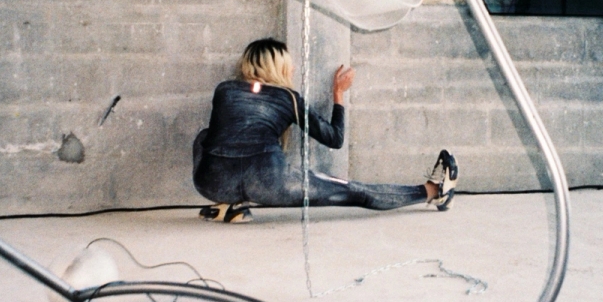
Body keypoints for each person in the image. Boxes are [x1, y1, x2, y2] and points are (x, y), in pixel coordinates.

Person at [192, 37, 457, 222]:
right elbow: (334, 138)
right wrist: (338, 94)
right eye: (289, 63)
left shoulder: (224, 90)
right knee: (354, 191)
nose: (293, 67)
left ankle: (231, 205)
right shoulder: (289, 98)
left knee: (205, 135)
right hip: (270, 182)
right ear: (278, 67)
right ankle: (434, 192)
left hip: (211, 184)